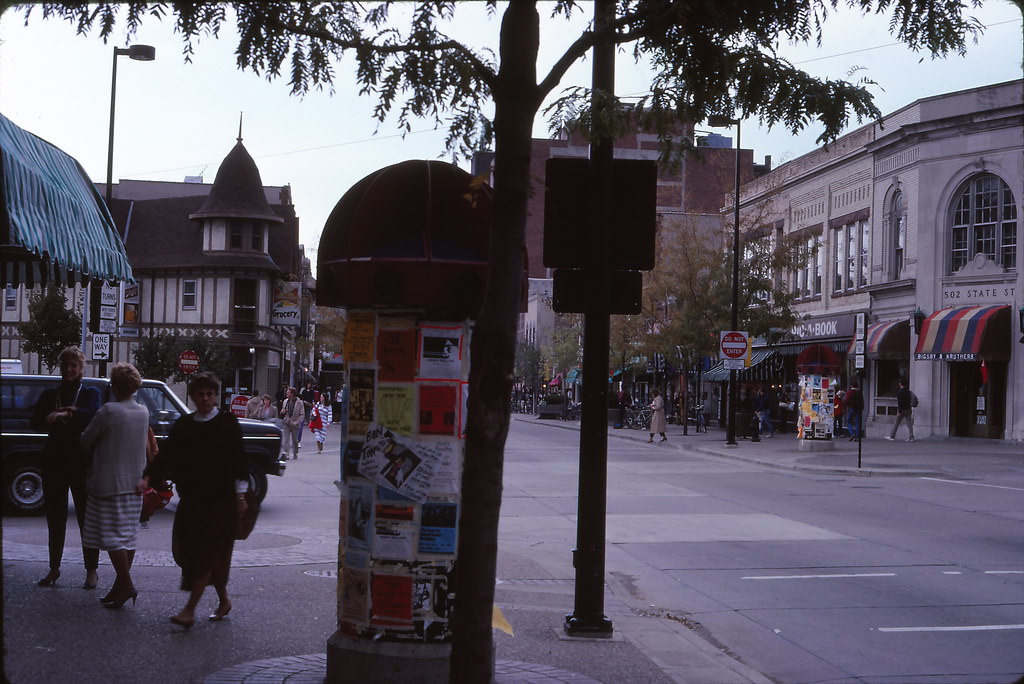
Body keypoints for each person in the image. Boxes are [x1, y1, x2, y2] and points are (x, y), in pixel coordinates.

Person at [139, 372, 249, 629]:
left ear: (216, 395)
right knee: (190, 552)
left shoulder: (226, 423)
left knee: (206, 553)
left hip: (220, 501)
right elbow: (166, 456)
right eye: (201, 394)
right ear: (193, 397)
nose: (206, 398)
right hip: (192, 500)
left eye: (210, 394)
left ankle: (189, 610)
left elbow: (239, 460)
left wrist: (240, 496)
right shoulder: (185, 425)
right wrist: (148, 478)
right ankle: (224, 600)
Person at [30, 346, 101, 589]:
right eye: (66, 366)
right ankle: (54, 568)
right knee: (55, 517)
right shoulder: (51, 394)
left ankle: (91, 570)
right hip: (55, 461)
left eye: (74, 365)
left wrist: (67, 413)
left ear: (81, 368)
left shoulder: (89, 392)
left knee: (86, 518)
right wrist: (50, 417)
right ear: (61, 368)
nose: (69, 370)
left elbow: (93, 414)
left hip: (82, 462)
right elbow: (35, 421)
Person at [79, 362, 150, 609]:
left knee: (111, 538)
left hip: (107, 483)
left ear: (114, 386)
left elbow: (85, 441)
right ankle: (119, 588)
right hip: (134, 483)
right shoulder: (143, 412)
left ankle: (127, 584)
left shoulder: (108, 411)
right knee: (127, 537)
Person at [279, 386, 304, 460]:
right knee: (286, 439)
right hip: (286, 422)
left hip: (295, 423)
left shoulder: (299, 402)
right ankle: (286, 454)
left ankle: (295, 453)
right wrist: (283, 412)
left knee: (295, 440)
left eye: (288, 392)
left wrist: (297, 421)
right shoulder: (285, 401)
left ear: (292, 394)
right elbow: (282, 411)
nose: (287, 393)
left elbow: (302, 414)